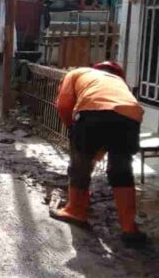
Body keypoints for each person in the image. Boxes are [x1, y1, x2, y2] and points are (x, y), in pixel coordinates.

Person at [51, 61, 148, 248]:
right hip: (130, 116)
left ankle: (75, 211)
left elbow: (63, 104)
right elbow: (113, 116)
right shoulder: (121, 85)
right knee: (121, 170)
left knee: (81, 163)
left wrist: (73, 130)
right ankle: (129, 228)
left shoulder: (77, 72)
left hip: (91, 112)